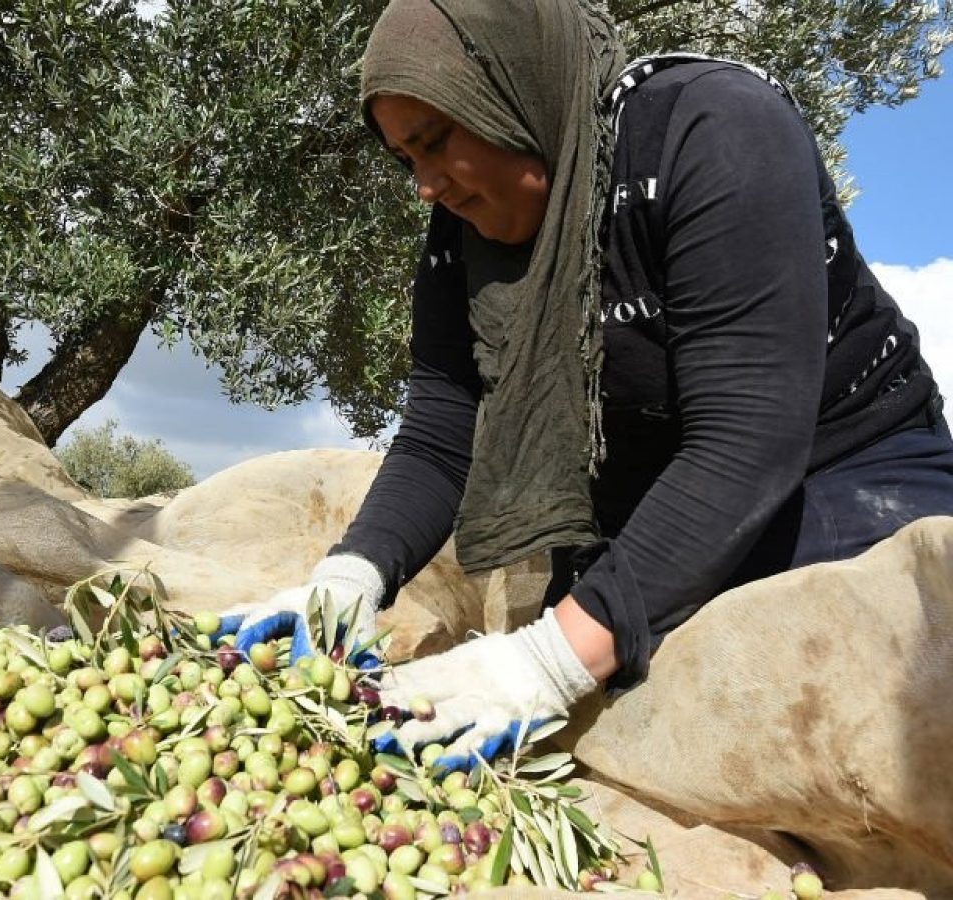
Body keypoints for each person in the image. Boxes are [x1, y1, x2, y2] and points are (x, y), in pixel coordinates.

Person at [231, 0, 953, 770]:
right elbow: (443, 433)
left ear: (510, 91)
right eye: (407, 159)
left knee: (773, 681)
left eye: (436, 141)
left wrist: (547, 659)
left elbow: (748, 438)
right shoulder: (463, 234)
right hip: (656, 506)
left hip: (839, 475)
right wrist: (350, 576)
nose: (426, 187)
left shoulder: (711, 130)